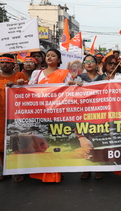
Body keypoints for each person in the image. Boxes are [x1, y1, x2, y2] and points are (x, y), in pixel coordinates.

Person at [28, 48, 72, 183]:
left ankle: (56, 172)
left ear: (59, 60)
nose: (50, 57)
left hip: (57, 113)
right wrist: (18, 86)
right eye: (48, 55)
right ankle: (40, 172)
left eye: (53, 56)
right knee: (41, 142)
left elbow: (71, 91)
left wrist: (73, 85)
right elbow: (28, 90)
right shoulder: (37, 73)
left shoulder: (65, 74)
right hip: (40, 113)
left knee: (55, 142)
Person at [68, 54, 105, 180]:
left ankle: (98, 168)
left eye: (91, 61)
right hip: (83, 114)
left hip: (99, 114)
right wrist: (72, 85)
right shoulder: (79, 78)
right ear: (83, 65)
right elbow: (73, 95)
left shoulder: (103, 78)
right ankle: (86, 169)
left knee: (98, 142)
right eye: (86, 62)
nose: (89, 64)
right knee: (85, 144)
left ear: (96, 64)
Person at [0, 54, 28, 183]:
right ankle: (6, 170)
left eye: (7, 62)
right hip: (1, 116)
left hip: (16, 116)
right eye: (1, 62)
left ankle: (18, 171)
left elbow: (29, 93)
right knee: (1, 145)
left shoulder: (20, 76)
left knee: (17, 142)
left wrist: (19, 85)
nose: (4, 65)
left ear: (13, 64)